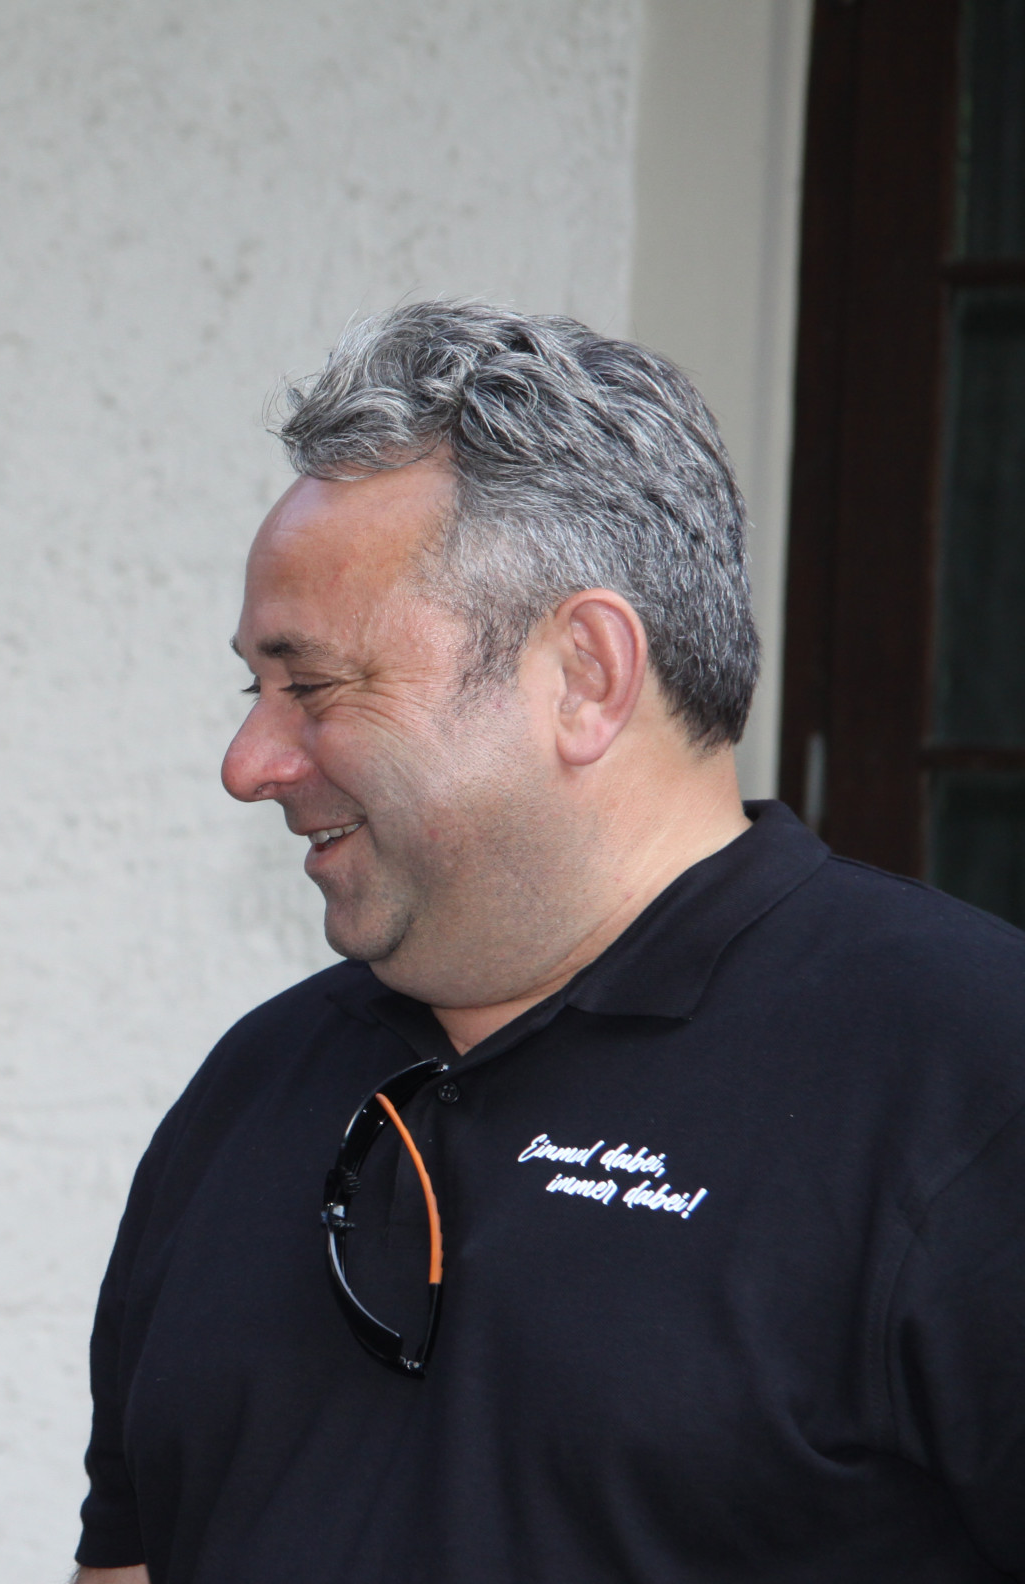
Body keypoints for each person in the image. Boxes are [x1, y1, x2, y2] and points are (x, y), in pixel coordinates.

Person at [74, 302, 1025, 1582]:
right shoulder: (253, 1089)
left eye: (316, 686)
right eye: (257, 688)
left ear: (584, 674)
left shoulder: (968, 1075)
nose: (250, 763)